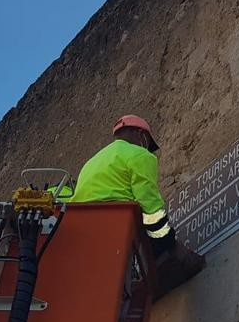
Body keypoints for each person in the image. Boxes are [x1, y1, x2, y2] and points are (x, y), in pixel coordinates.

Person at [68, 114, 204, 295]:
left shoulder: (91, 163)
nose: (148, 148)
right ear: (141, 135)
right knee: (167, 244)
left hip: (86, 234)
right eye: (148, 143)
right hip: (118, 225)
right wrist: (165, 238)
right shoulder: (139, 154)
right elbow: (148, 201)